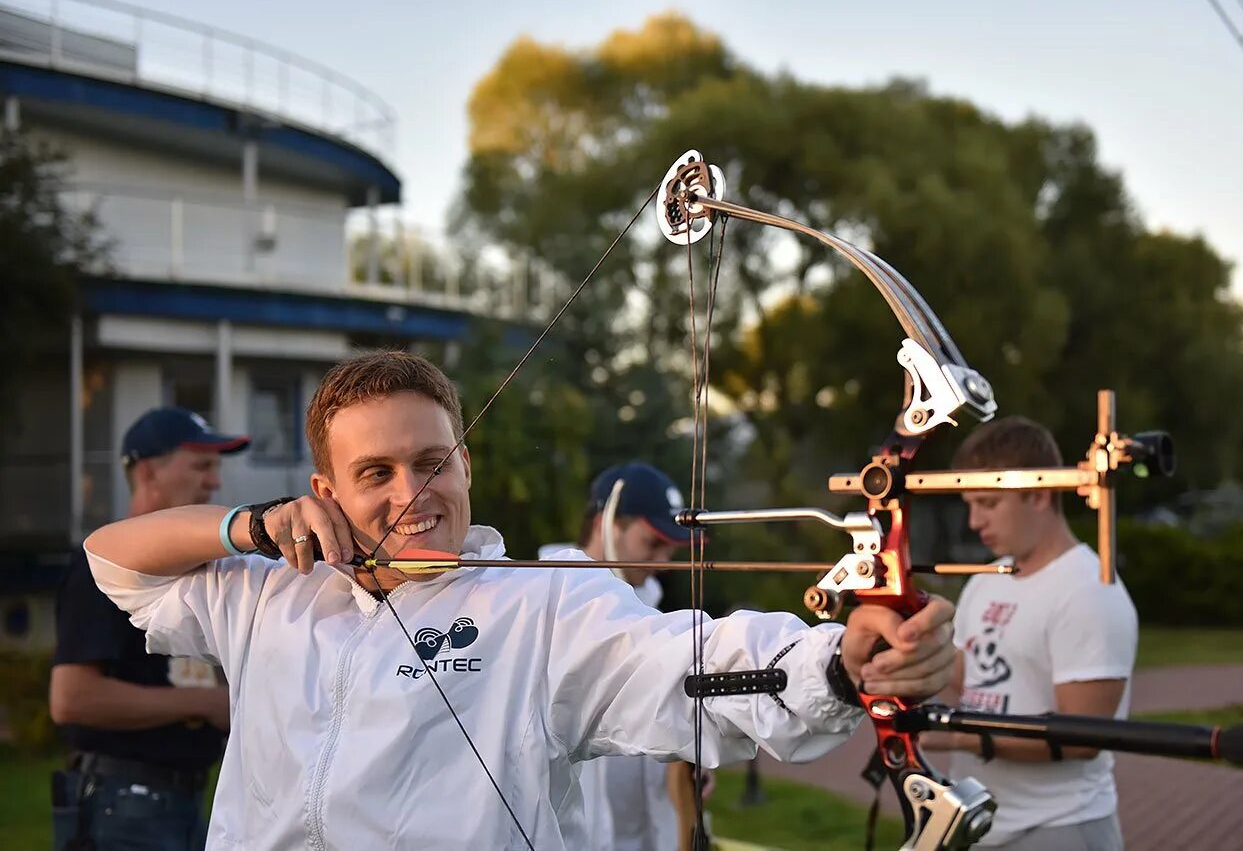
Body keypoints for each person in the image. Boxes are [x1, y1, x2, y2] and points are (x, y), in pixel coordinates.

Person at [82, 349, 957, 849]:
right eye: (374, 473)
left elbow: (682, 663)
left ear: (466, 465)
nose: (409, 493)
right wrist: (248, 525)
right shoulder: (273, 593)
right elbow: (115, 561)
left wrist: (841, 662)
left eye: (431, 462)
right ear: (325, 488)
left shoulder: (538, 608)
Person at [921, 416, 1138, 850]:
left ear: (1038, 494)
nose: (974, 521)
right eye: (969, 503)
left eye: (987, 503)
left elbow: (1083, 740)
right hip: (980, 823)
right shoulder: (987, 578)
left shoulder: (1089, 591)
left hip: (1061, 828)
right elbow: (973, 678)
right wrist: (916, 643)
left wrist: (959, 737)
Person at [50, 407, 250, 850]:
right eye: (201, 465)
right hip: (123, 800)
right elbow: (71, 699)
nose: (215, 482)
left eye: (216, 467)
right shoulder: (100, 569)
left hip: (180, 800)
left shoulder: (200, 570)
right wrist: (206, 702)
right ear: (147, 474)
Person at [547, 461, 703, 851]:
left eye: (669, 548)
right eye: (652, 543)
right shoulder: (539, 609)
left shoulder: (653, 616)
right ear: (607, 524)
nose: (663, 564)